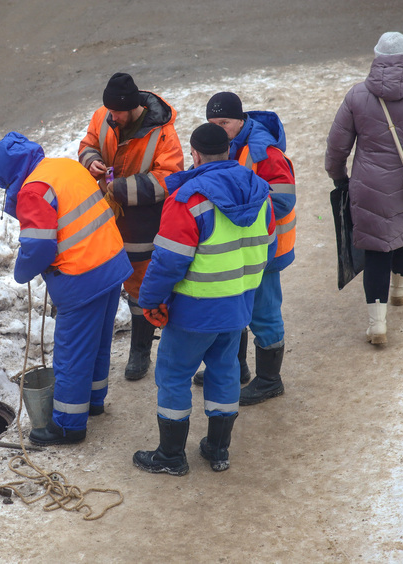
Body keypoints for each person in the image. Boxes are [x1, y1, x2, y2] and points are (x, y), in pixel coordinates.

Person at [133, 123, 276, 475]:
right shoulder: (259, 191)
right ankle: (217, 448)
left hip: (194, 309)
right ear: (228, 150)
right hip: (237, 304)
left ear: (194, 155)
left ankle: (171, 456)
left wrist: (150, 299)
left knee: (174, 375)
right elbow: (268, 246)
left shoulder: (189, 199)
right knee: (225, 370)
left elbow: (168, 261)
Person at [0, 132, 132, 446]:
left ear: (10, 175)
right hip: (111, 263)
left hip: (82, 277)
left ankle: (69, 425)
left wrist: (22, 271)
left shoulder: (34, 189)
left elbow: (39, 247)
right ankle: (93, 402)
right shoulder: (64, 167)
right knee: (98, 342)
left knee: (72, 353)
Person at [325, 32, 403, 344]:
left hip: (369, 187)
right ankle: (401, 286)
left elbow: (337, 147)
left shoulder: (357, 96)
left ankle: (377, 324)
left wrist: (339, 177)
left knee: (376, 249)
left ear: (377, 57)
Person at [78, 72, 184, 381]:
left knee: (140, 285)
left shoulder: (163, 134)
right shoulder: (103, 116)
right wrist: (91, 160)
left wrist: (121, 188)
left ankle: (140, 350)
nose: (112, 117)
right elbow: (87, 144)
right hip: (105, 218)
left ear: (133, 107)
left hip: (142, 224)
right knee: (104, 278)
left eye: (117, 112)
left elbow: (169, 177)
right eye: (109, 111)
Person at [193, 91, 296, 406]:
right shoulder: (224, 145)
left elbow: (284, 198)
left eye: (224, 122)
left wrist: (234, 205)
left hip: (266, 250)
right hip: (242, 247)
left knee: (263, 312)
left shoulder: (263, 150)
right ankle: (236, 368)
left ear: (241, 120)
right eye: (212, 123)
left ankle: (270, 380)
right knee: (235, 304)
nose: (218, 129)